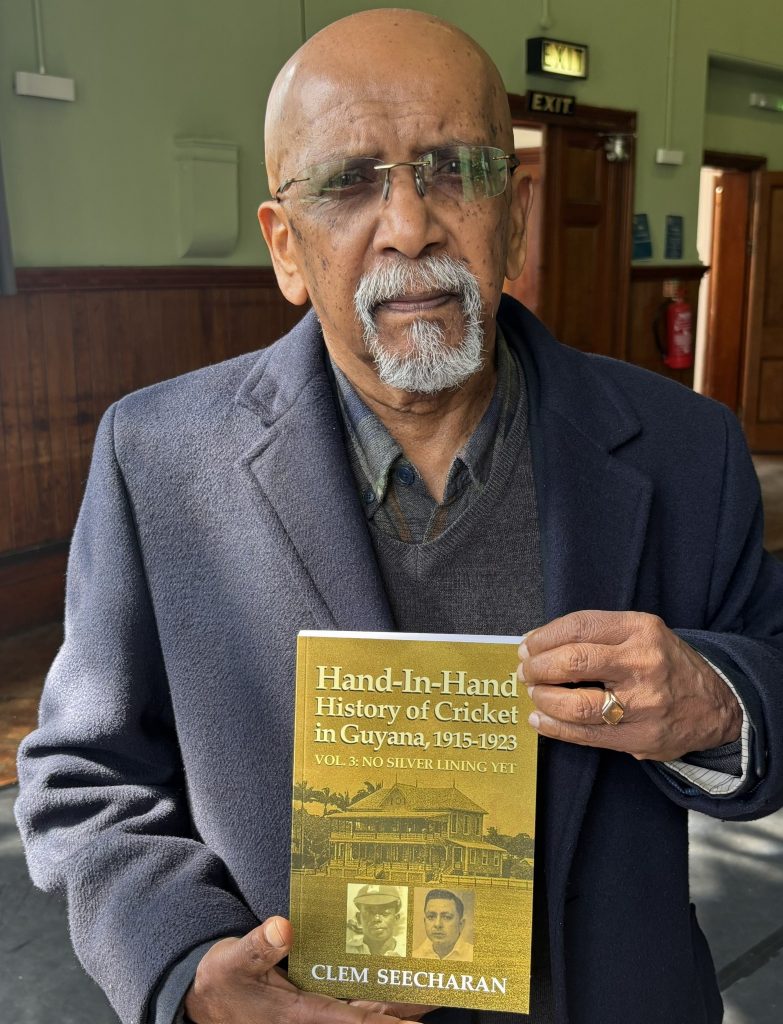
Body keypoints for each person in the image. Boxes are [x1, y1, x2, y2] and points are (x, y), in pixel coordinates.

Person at [14, 8, 783, 1024]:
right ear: (285, 247)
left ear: (514, 215)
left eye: (456, 168)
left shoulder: (688, 450)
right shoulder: (158, 460)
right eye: (349, 181)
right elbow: (84, 774)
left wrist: (716, 703)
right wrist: (187, 967)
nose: (412, 224)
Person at [413, 890, 474, 961]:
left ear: (461, 924)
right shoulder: (415, 955)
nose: (437, 924)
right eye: (431, 917)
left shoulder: (472, 955)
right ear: (424, 921)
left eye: (447, 917)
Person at [348, 884, 406, 956]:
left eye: (385, 913)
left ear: (396, 918)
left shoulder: (406, 952)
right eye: (369, 912)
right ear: (358, 918)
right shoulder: (347, 949)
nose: (376, 919)